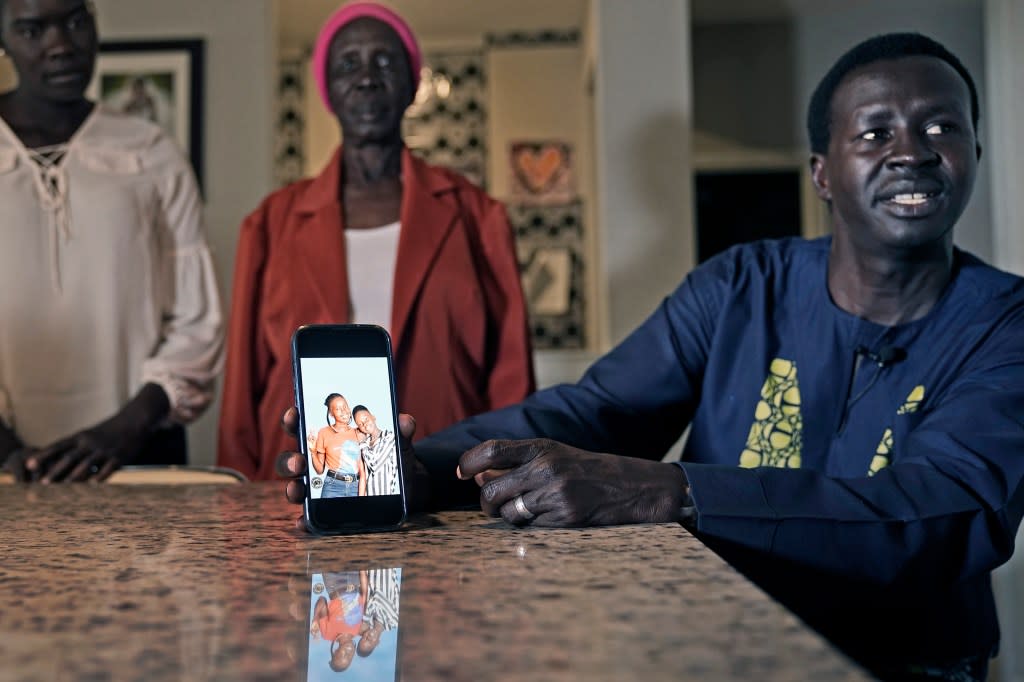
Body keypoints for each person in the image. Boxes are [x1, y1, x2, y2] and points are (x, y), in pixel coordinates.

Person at [280, 33, 1024, 680]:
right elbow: (595, 412)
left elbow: (946, 509)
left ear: (974, 155)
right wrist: (422, 469)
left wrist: (674, 491)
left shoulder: (1005, 321)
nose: (911, 153)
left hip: (910, 663)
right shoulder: (741, 285)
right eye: (874, 133)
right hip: (721, 645)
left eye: (940, 127)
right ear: (822, 173)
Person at [218, 1, 534, 481]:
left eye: (384, 61)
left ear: (412, 83)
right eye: (348, 64)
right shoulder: (269, 225)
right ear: (329, 91)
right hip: (298, 487)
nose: (366, 77)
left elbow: (511, 374)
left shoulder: (477, 216)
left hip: (449, 486)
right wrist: (236, 501)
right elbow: (243, 388)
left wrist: (507, 482)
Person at [0, 0, 222, 481]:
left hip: (136, 455)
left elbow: (196, 320)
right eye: (32, 30)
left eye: (76, 22)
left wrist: (125, 428)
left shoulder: (151, 151)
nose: (60, 45)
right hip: (9, 465)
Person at [312, 394, 366, 498]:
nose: (344, 411)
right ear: (331, 413)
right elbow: (319, 471)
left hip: (355, 486)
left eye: (345, 406)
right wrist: (313, 451)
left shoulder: (358, 433)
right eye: (338, 409)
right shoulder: (324, 433)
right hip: (332, 486)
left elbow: (362, 471)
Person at [353, 404, 397, 495]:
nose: (364, 424)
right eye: (360, 424)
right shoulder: (365, 444)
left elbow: (375, 464)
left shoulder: (389, 436)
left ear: (373, 417)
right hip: (369, 500)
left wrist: (361, 441)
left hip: (386, 499)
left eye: (365, 419)